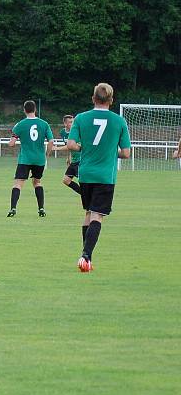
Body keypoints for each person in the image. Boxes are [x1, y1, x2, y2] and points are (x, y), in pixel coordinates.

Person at [67, 83, 131, 273]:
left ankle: (87, 258)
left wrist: (83, 148)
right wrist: (111, 152)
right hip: (105, 176)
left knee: (88, 213)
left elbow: (71, 144)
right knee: (97, 216)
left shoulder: (81, 118)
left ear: (93, 98)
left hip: (85, 174)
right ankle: (86, 255)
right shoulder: (119, 121)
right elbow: (126, 153)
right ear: (111, 100)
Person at [6, 100, 54, 217]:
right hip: (39, 159)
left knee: (18, 183)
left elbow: (11, 143)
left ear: (24, 110)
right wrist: (46, 155)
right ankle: (41, 208)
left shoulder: (20, 124)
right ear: (35, 110)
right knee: (37, 182)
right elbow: (51, 141)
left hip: (25, 159)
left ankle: (13, 208)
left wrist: (14, 138)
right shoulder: (44, 124)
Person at [54, 114, 82, 195]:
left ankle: (88, 197)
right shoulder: (63, 132)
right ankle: (85, 195)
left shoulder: (77, 132)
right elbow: (69, 147)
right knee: (66, 180)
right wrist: (68, 157)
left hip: (81, 160)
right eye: (70, 122)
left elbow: (72, 146)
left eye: (73, 122)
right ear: (65, 124)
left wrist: (57, 148)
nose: (73, 124)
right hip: (74, 160)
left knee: (83, 182)